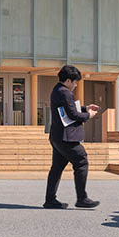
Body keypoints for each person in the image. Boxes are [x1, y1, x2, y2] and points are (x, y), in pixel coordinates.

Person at [44, 65, 100, 209]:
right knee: (81, 162)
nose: (75, 85)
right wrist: (89, 115)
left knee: (56, 168)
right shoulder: (65, 93)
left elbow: (68, 109)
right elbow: (73, 115)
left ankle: (50, 200)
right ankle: (82, 198)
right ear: (68, 81)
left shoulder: (56, 90)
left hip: (57, 136)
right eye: (75, 82)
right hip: (67, 138)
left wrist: (85, 108)